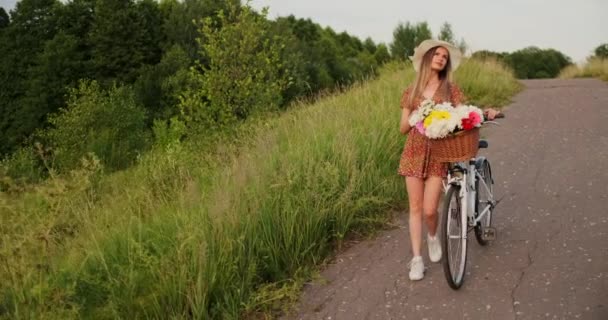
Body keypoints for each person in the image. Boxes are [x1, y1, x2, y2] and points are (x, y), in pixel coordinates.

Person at [398, 39, 499, 281]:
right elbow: (402, 128)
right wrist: (415, 115)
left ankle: (433, 235)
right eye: (437, 54)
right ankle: (416, 260)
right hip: (413, 151)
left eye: (445, 56)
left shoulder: (450, 89)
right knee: (414, 208)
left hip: (439, 153)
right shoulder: (411, 91)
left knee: (430, 210)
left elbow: (465, 114)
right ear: (427, 58)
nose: (441, 58)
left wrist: (485, 113)